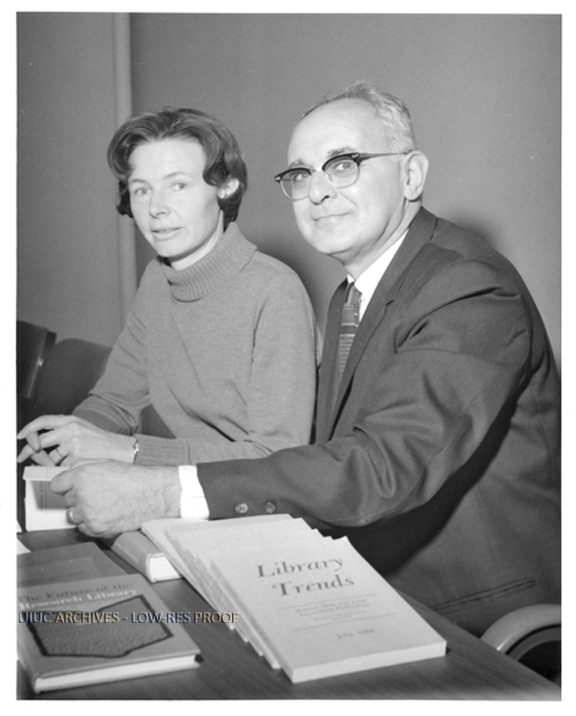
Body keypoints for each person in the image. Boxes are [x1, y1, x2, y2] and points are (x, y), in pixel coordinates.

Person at [44, 83, 560, 636]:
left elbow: (377, 470)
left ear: (411, 175)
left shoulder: (469, 285)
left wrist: (160, 486)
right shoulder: (353, 292)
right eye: (300, 175)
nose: (316, 192)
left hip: (469, 613)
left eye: (343, 165)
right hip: (362, 575)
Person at [17, 108, 316, 468]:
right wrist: (64, 442)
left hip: (261, 505)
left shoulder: (275, 291)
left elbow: (278, 458)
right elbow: (113, 402)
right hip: (192, 490)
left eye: (178, 185)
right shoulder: (158, 279)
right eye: (142, 190)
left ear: (226, 186)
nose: (156, 207)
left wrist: (126, 450)